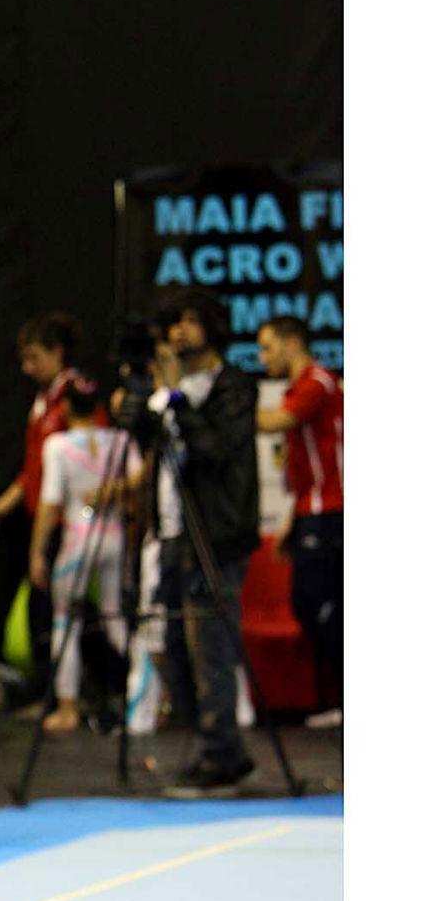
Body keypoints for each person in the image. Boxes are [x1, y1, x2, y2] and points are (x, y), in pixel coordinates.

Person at [124, 293, 261, 798]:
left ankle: (220, 754)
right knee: (172, 646)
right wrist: (144, 401)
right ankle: (216, 745)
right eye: (173, 323)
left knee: (212, 648)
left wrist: (178, 398)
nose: (179, 331)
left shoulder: (233, 386)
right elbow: (145, 445)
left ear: (212, 326)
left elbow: (215, 450)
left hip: (217, 535)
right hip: (172, 531)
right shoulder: (168, 391)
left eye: (190, 321)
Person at [0, 312, 97, 698]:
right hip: (39, 519)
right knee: (44, 608)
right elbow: (30, 472)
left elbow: (93, 457)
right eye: (23, 359)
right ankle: (53, 692)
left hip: (67, 522)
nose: (27, 368)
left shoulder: (77, 396)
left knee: (59, 609)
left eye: (34, 357)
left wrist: (73, 516)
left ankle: (71, 693)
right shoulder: (42, 402)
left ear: (57, 352)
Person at [31, 379, 142, 735]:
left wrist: (37, 552)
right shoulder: (120, 440)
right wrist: (116, 490)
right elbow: (140, 477)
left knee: (66, 620)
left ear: (65, 407)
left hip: (78, 540)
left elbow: (50, 501)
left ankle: (67, 707)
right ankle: (146, 689)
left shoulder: (58, 445)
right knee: (116, 617)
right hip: (115, 537)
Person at [257, 316, 343, 728]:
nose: (262, 358)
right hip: (313, 512)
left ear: (291, 343)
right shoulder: (297, 388)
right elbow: (306, 473)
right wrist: (292, 522)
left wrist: (223, 403)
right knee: (314, 604)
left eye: (268, 347)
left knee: (318, 602)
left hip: (334, 512)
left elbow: (276, 421)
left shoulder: (318, 382)